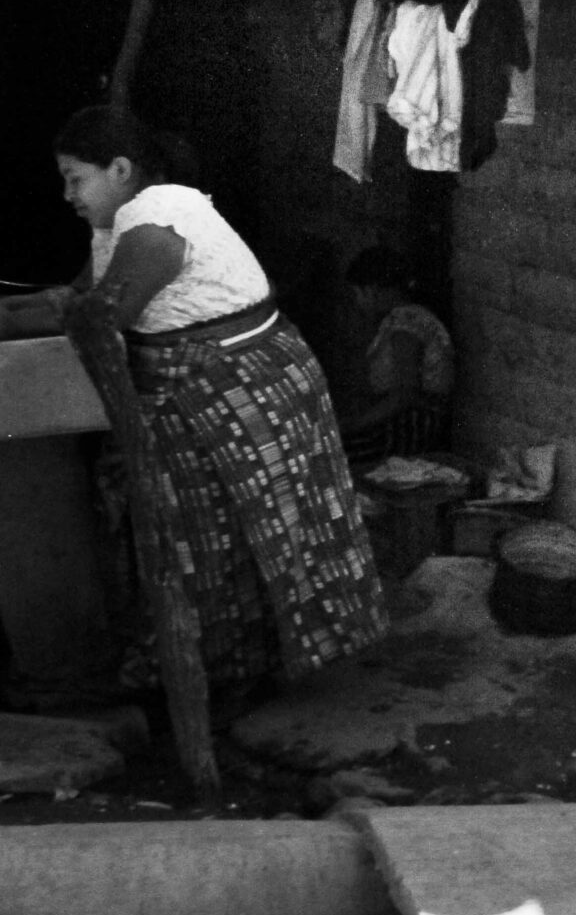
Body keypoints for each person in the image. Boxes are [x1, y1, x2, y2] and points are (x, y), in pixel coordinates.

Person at [0, 107, 385, 706]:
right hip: (202, 390)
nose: (67, 194)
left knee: (238, 531)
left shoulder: (161, 218)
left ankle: (229, 682)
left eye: (76, 178)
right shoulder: (119, 225)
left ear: (121, 170)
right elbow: (76, 299)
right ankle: (222, 674)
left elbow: (103, 316)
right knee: (208, 538)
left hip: (236, 387)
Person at [338, 246, 456, 466]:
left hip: (409, 425)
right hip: (406, 421)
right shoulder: (403, 320)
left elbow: (404, 394)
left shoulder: (406, 324)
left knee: (337, 456)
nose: (357, 303)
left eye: (357, 294)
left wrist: (355, 425)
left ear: (372, 290)